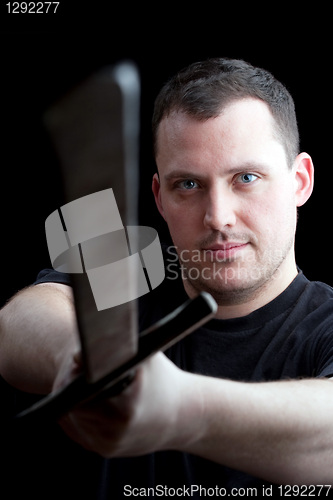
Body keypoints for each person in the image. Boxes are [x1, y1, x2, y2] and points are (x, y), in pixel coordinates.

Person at [1, 57, 333, 498]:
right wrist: (86, 357)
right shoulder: (125, 287)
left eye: (246, 178)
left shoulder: (326, 325)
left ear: (300, 181)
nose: (218, 217)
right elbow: (18, 323)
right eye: (189, 186)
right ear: (159, 196)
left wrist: (180, 408)